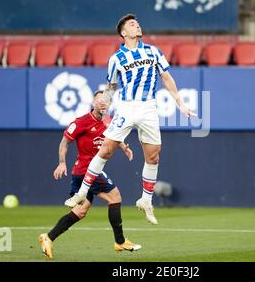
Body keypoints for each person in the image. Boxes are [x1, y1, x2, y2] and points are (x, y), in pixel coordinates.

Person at [65, 14, 195, 225]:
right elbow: (111, 86)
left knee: (153, 157)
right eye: (132, 24)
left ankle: (146, 200)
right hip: (126, 107)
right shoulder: (116, 59)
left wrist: (180, 102)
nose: (137, 25)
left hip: (149, 107)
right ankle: (82, 192)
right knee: (106, 149)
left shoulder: (153, 51)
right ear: (123, 33)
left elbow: (167, 78)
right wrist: (103, 102)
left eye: (137, 23)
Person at [39, 90, 141, 259]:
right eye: (99, 100)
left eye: (106, 101)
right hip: (86, 170)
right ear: (93, 103)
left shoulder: (109, 120)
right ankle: (120, 241)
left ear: (109, 104)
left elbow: (114, 136)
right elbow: (65, 142)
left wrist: (124, 147)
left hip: (88, 172)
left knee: (80, 211)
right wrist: (62, 162)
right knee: (114, 197)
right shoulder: (82, 122)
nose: (102, 103)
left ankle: (48, 238)